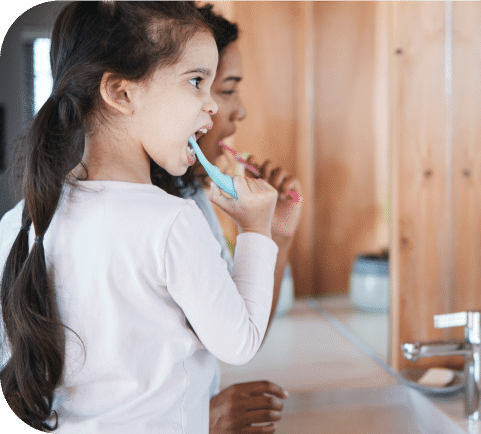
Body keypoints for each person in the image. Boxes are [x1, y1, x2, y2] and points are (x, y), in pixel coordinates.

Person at [0, 2, 280, 432]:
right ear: (122, 93)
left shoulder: (20, 223)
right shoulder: (171, 222)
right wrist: (256, 229)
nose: (210, 106)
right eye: (196, 81)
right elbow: (239, 342)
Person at [150, 4, 302, 433]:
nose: (237, 111)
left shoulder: (192, 195)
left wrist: (276, 235)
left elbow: (240, 334)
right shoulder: (160, 219)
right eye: (225, 88)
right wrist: (198, 419)